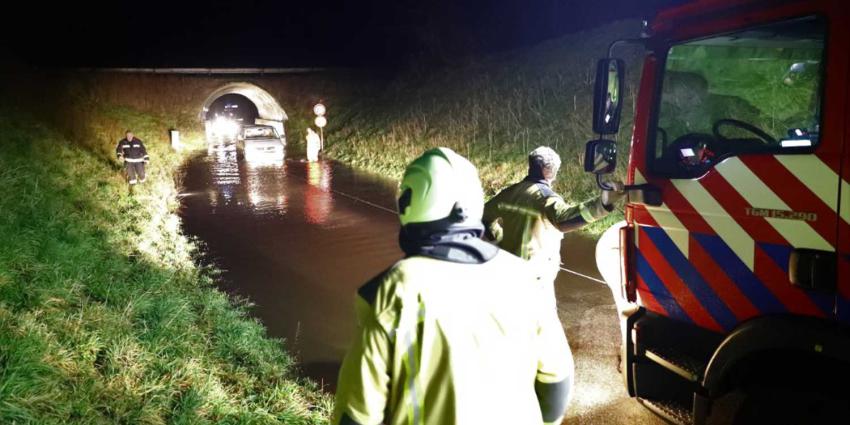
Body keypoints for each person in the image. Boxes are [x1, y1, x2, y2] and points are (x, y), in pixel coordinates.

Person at [333, 147, 574, 425]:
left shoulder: (388, 293)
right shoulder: (525, 280)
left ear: (408, 202)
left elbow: (355, 414)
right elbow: (557, 381)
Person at [483, 146, 624, 302]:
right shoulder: (545, 198)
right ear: (549, 171)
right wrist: (602, 205)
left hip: (506, 272)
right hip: (534, 279)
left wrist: (499, 239)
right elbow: (564, 221)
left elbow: (482, 217)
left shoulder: (509, 192)